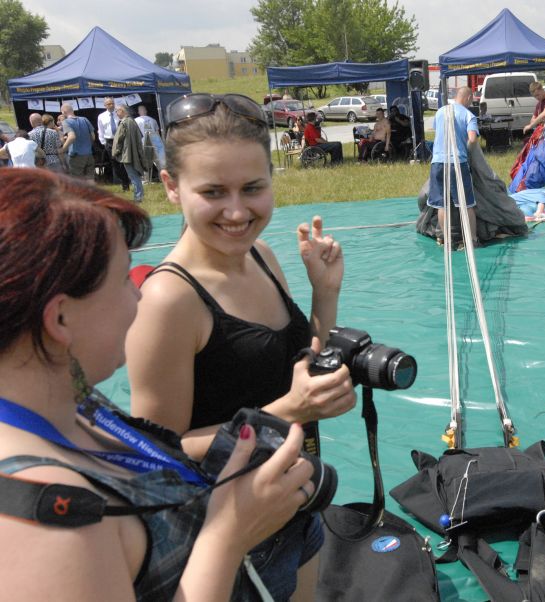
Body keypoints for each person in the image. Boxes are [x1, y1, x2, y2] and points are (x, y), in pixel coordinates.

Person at [0, 168, 316, 600]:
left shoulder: (67, 401)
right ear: (59, 319)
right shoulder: (41, 518)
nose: (138, 297)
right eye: (122, 282)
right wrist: (228, 536)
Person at [126, 93, 356, 599]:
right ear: (171, 186)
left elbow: (297, 362)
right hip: (230, 534)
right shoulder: (168, 300)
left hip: (293, 499)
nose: (236, 211)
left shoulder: (263, 256)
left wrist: (325, 292)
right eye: (213, 191)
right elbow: (156, 455)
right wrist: (284, 411)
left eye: (253, 188)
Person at [428, 86, 479, 248]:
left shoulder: (440, 111)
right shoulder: (468, 115)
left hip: (437, 162)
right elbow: (472, 139)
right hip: (457, 162)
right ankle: (471, 239)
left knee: (441, 204)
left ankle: (447, 240)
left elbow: (437, 131)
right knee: (466, 203)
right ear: (469, 98)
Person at [112, 104, 149, 203]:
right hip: (133, 152)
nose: (116, 113)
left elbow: (118, 139)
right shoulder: (132, 121)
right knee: (134, 176)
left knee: (133, 176)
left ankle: (138, 197)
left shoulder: (124, 122)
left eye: (117, 111)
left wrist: (115, 152)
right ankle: (138, 196)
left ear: (123, 111)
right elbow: (139, 136)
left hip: (127, 154)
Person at [98, 97, 129, 190]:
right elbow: (101, 131)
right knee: (114, 163)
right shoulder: (101, 116)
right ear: (105, 105)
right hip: (109, 142)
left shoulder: (119, 113)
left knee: (124, 162)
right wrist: (104, 143)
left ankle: (126, 183)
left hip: (120, 140)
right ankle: (122, 180)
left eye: (112, 103)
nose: (111, 105)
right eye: (108, 104)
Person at [60, 102, 96, 181]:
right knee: (90, 178)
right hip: (89, 154)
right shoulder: (85, 119)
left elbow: (72, 137)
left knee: (77, 180)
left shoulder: (66, 122)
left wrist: (63, 149)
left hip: (76, 155)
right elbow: (93, 137)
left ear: (63, 112)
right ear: (72, 110)